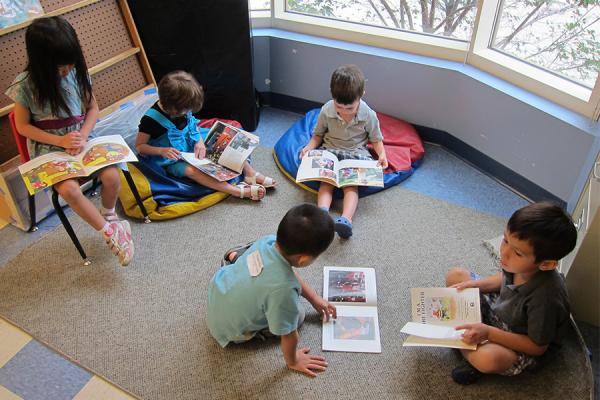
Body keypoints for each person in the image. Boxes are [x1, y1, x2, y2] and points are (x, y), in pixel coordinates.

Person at [6, 16, 134, 266]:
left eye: (69, 62)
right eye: (59, 66)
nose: (66, 70)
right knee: (69, 189)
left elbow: (93, 109)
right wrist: (62, 140)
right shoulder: (26, 86)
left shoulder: (77, 73)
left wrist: (84, 135)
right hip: (49, 146)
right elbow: (22, 126)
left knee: (112, 177)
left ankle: (109, 215)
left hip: (82, 138)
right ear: (41, 62)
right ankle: (109, 233)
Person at [445, 202, 577, 385]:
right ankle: (468, 338)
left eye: (517, 252)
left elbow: (537, 347)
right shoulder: (518, 265)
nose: (504, 253)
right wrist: (474, 285)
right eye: (505, 240)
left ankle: (465, 346)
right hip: (502, 310)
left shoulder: (546, 298)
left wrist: (489, 333)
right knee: (457, 276)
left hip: (521, 339)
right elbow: (503, 279)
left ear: (546, 264)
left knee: (487, 359)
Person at [207, 204, 337, 377]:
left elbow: (289, 272)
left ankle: (235, 256)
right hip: (229, 330)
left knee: (261, 268)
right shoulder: (283, 290)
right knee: (297, 316)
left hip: (217, 291)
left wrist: (314, 298)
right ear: (304, 259)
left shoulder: (268, 241)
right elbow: (289, 335)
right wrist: (293, 361)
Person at [135, 70, 276, 201]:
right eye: (186, 110)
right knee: (191, 171)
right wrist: (161, 151)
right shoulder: (150, 120)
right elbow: (140, 146)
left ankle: (250, 173)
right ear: (172, 107)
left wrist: (199, 142)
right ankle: (235, 191)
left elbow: (192, 125)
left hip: (191, 140)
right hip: (172, 157)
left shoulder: (182, 106)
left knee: (227, 136)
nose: (188, 111)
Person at [299, 64, 387, 238]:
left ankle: (346, 220)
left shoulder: (369, 115)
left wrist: (382, 154)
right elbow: (318, 135)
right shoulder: (327, 109)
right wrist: (309, 147)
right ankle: (322, 214)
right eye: (339, 107)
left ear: (361, 95)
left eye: (350, 108)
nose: (344, 112)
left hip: (356, 153)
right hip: (330, 150)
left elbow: (376, 139)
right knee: (326, 181)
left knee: (350, 185)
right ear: (332, 96)